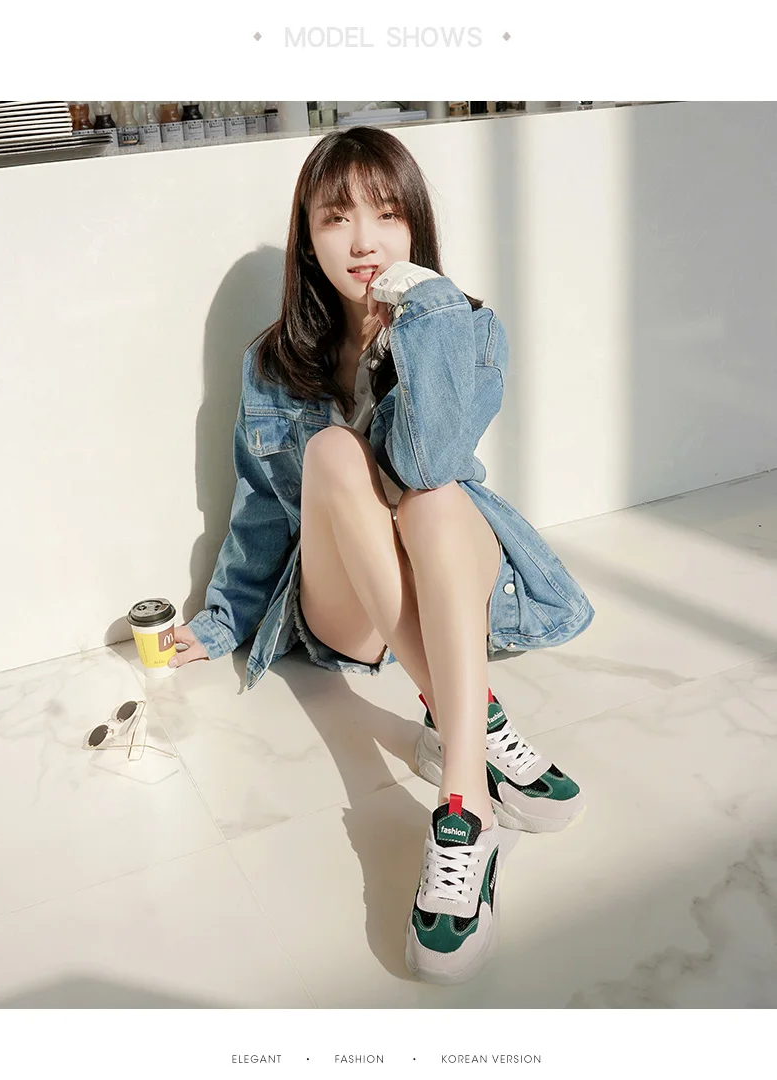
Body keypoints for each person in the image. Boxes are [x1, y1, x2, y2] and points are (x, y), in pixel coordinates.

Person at [167, 126, 595, 985]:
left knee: (435, 500)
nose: (363, 241)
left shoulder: (464, 326)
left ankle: (463, 806)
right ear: (308, 238)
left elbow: (432, 462)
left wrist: (423, 316)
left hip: (450, 567)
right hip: (349, 610)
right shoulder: (272, 362)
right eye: (336, 218)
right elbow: (261, 508)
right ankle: (471, 715)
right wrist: (219, 622)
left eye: (387, 214)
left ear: (416, 227)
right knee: (331, 452)